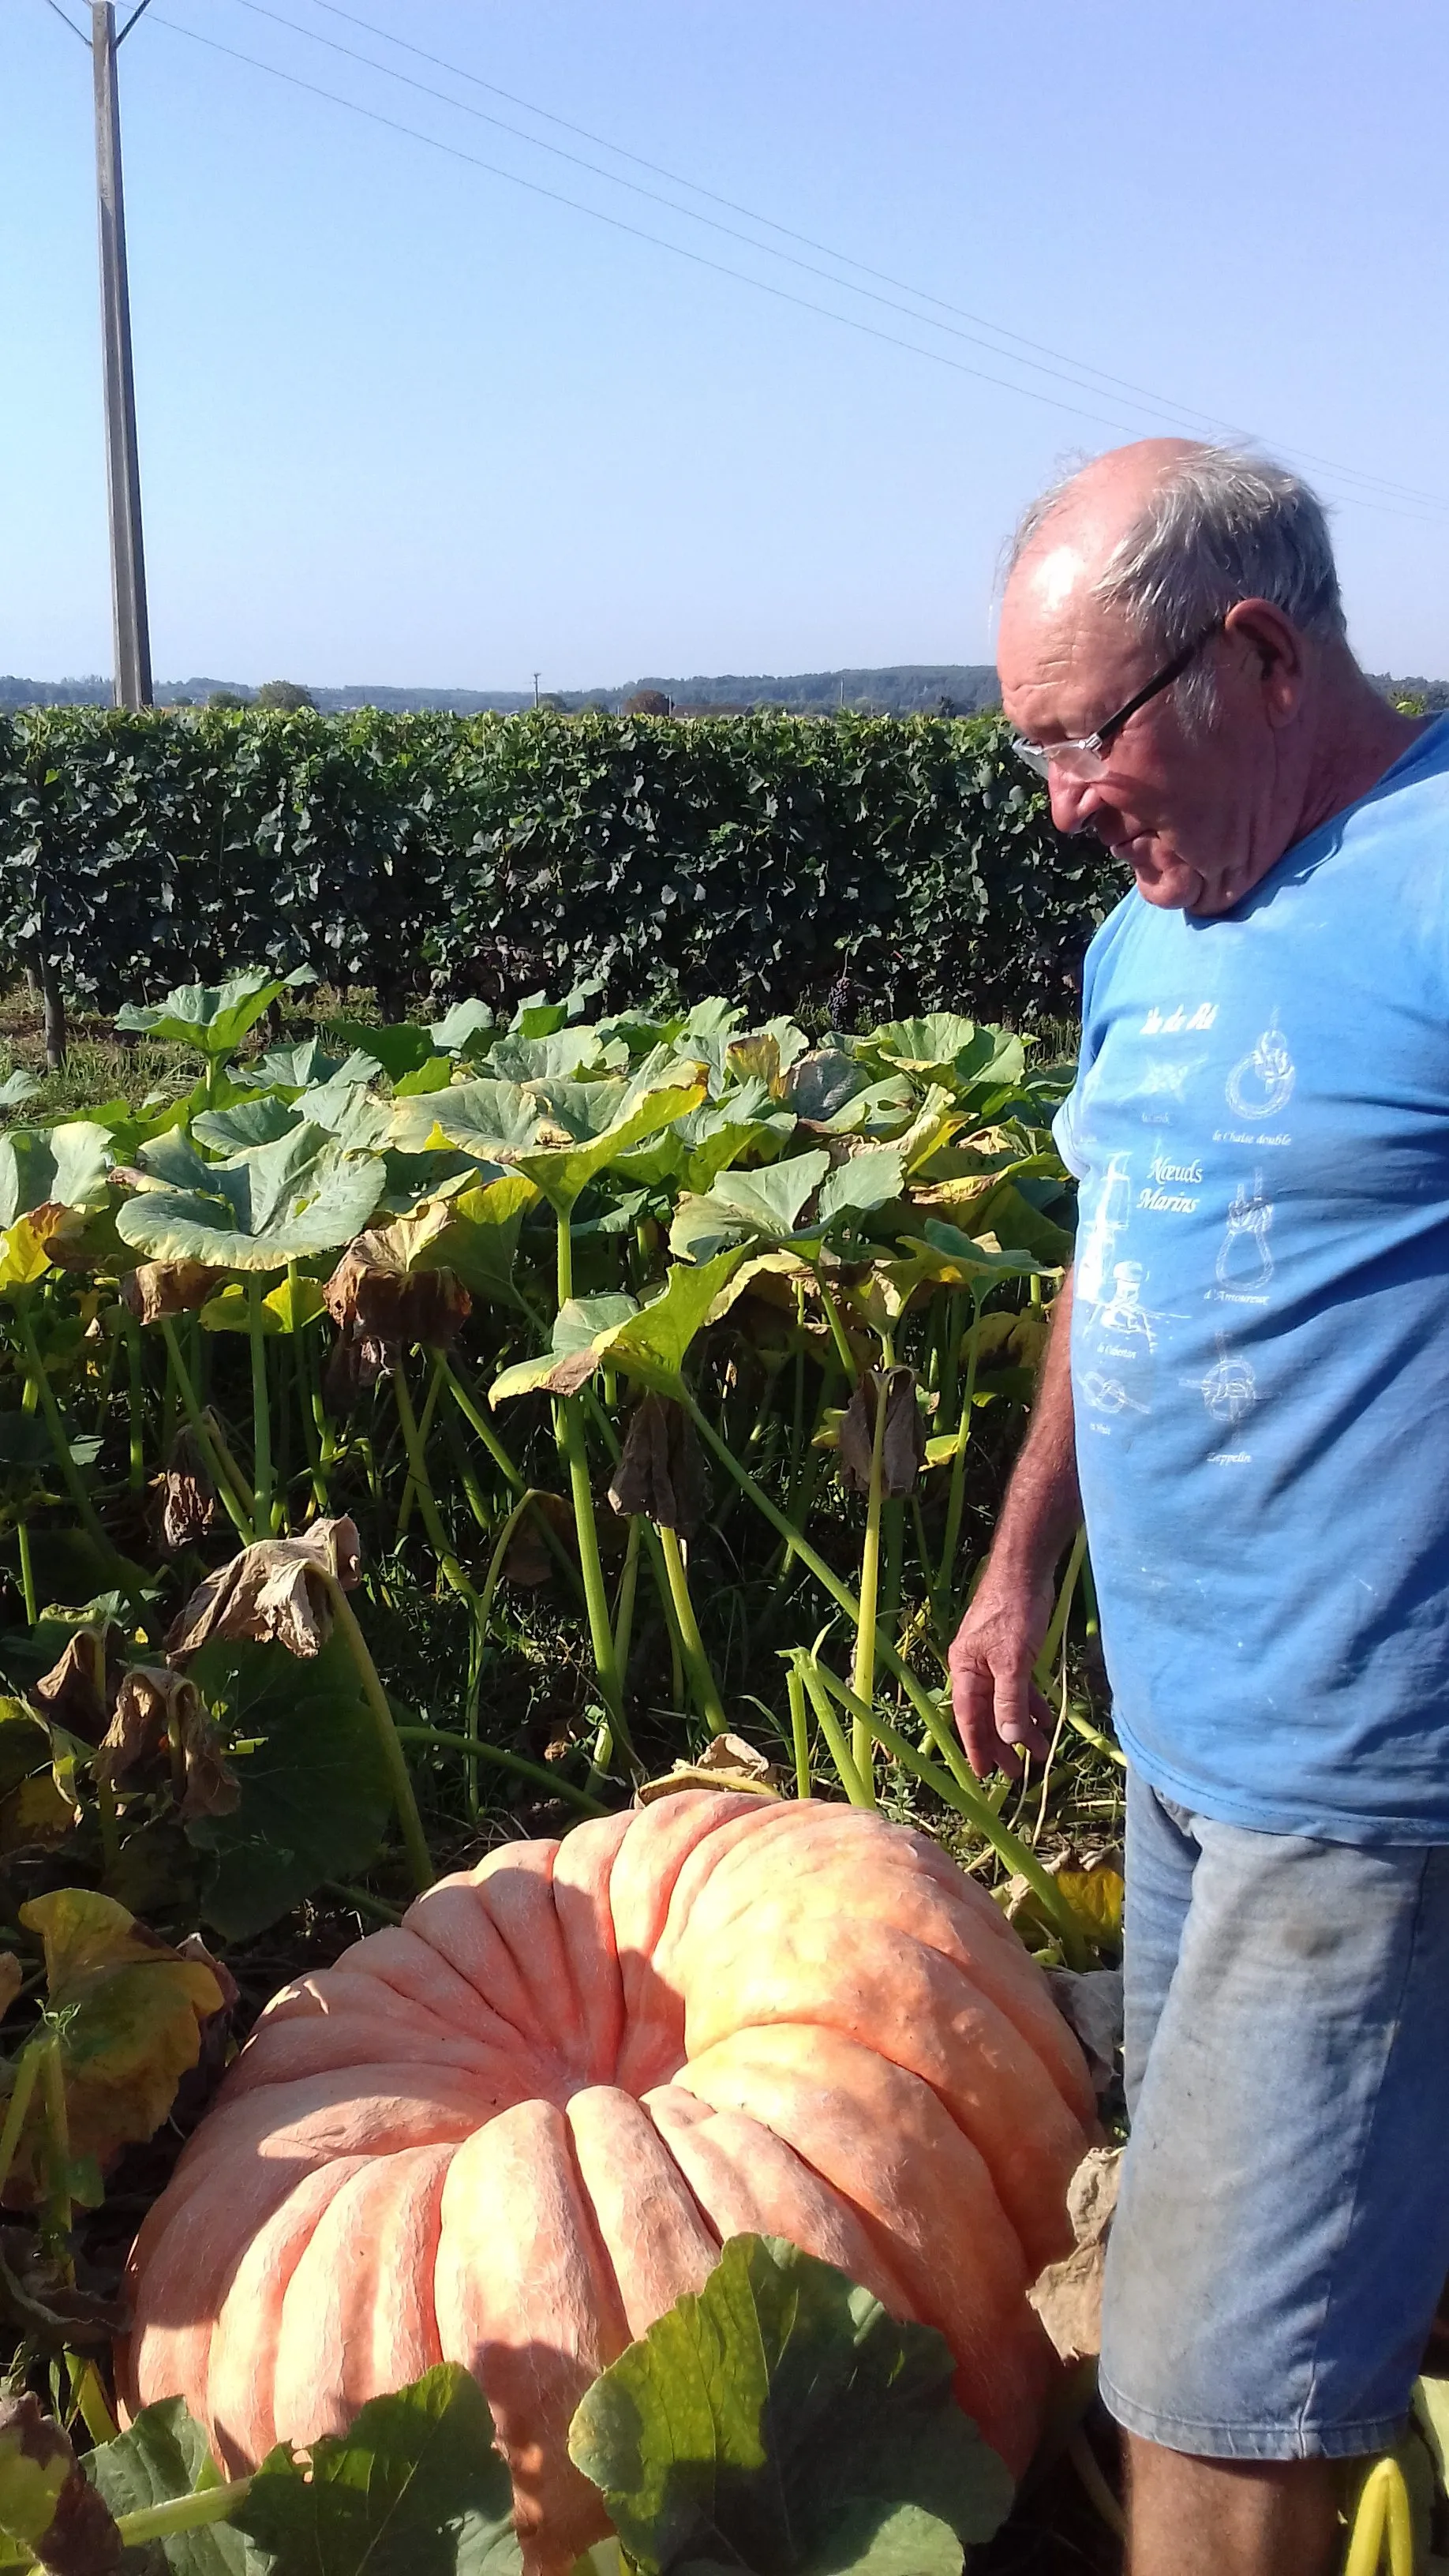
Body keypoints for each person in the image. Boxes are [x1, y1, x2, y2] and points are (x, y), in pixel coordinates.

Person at [949, 437, 1449, 2576]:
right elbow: (1119, 1230)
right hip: (1185, 1752)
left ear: (1252, 655)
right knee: (1333, 2260)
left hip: (1354, 1784)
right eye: (1028, 749)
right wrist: (1020, 1560)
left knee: (1209, 2387)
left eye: (1085, 735)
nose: (1064, 797)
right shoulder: (1153, 932)